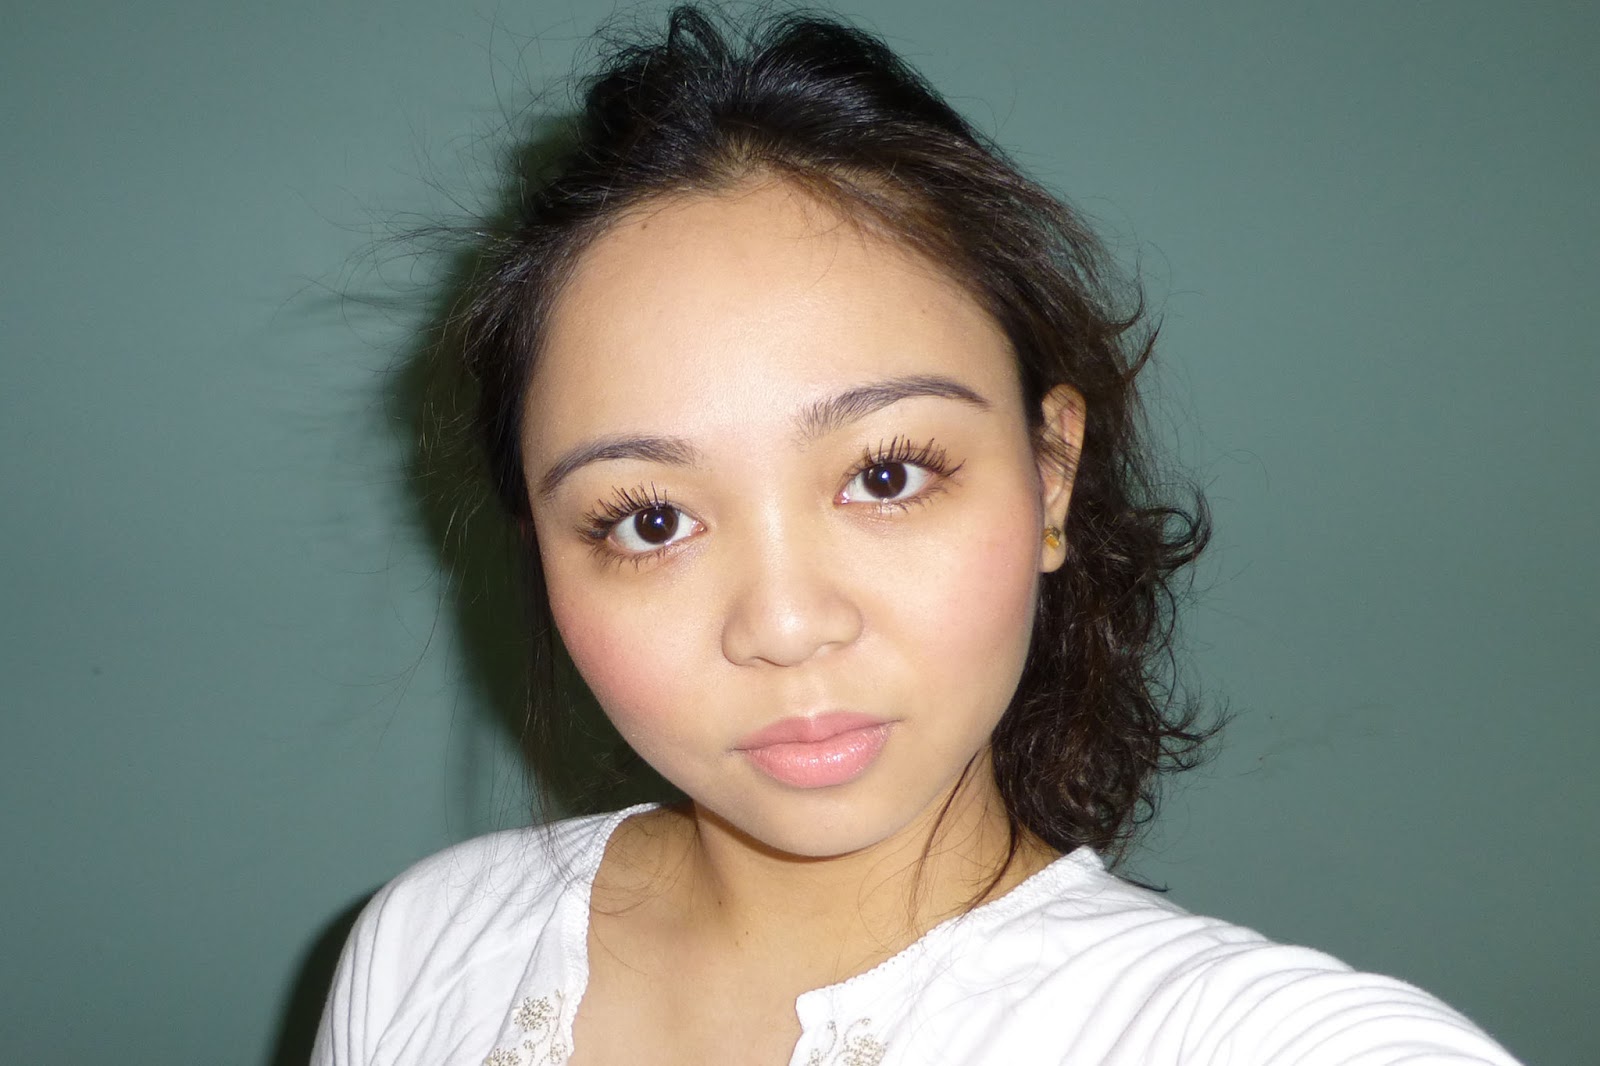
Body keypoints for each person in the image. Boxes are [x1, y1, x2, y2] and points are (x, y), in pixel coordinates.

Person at [312, 7, 1521, 1064]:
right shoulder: (424, 945)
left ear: (1050, 475)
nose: (787, 624)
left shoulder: (1247, 1037)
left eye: (884, 475)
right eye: (652, 518)